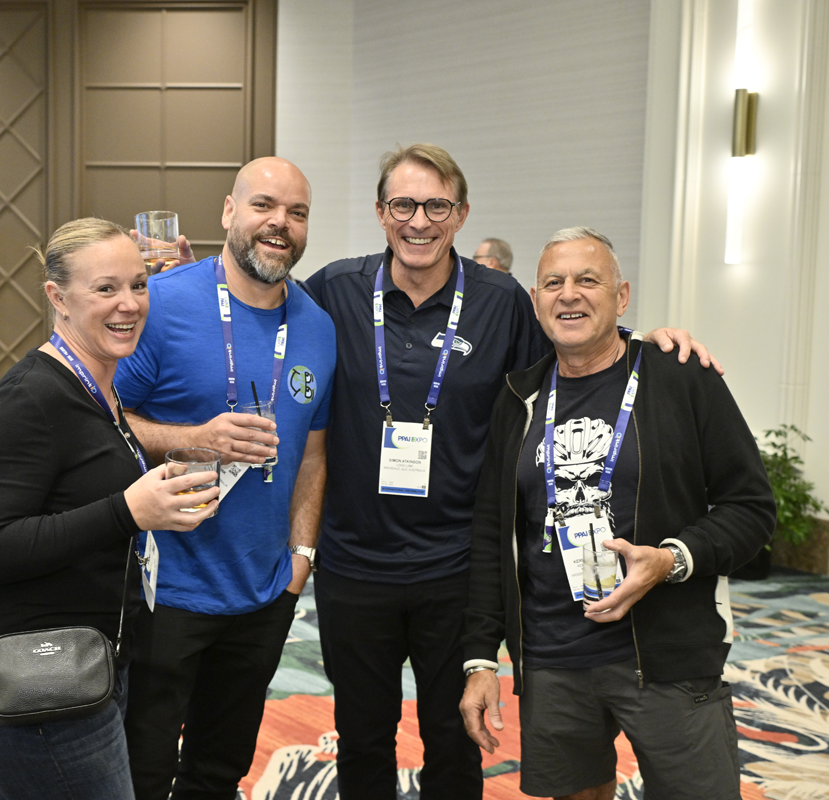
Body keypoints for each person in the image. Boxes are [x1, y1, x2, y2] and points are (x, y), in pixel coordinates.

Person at [301, 144, 718, 800]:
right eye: (403, 205)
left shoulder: (500, 301)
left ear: (461, 214)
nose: (419, 221)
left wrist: (650, 345)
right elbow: (267, 324)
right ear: (380, 213)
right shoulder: (333, 290)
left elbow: (575, 350)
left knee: (455, 741)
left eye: (437, 206)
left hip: (457, 567)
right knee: (361, 738)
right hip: (354, 565)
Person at [459, 227, 775, 800]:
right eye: (553, 283)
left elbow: (750, 508)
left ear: (622, 296)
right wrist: (481, 656)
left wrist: (671, 559)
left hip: (666, 654)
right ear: (535, 300)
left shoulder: (679, 377)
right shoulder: (518, 399)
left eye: (588, 280)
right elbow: (492, 538)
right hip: (553, 658)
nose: (569, 294)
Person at [0, 218, 219, 800]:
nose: (129, 304)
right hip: (41, 688)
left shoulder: (99, 388)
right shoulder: (28, 399)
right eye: (105, 288)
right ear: (58, 297)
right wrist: (127, 511)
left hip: (92, 666)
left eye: (139, 285)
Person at [113, 156, 336, 800]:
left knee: (219, 768)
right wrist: (194, 438)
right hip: (164, 590)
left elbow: (313, 455)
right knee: (141, 770)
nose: (280, 223)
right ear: (229, 211)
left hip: (263, 594)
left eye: (296, 213)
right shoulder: (163, 302)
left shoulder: (318, 327)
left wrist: (300, 561)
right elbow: (104, 420)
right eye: (264, 205)